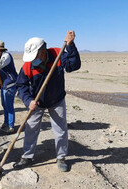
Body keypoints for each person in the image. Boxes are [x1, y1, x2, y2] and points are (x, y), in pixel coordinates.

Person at [14, 31, 81, 172]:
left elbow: (73, 66)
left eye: (35, 57)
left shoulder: (58, 53)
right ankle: (27, 156)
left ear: (43, 51)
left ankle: (61, 157)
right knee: (31, 129)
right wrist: (28, 101)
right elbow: (21, 86)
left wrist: (70, 46)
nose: (33, 60)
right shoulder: (27, 66)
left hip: (57, 99)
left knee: (60, 129)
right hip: (36, 102)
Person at [0, 40, 18, 133]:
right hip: (3, 84)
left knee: (9, 106)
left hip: (10, 84)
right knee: (4, 105)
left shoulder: (7, 56)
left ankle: (10, 126)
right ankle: (6, 123)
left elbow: (0, 64)